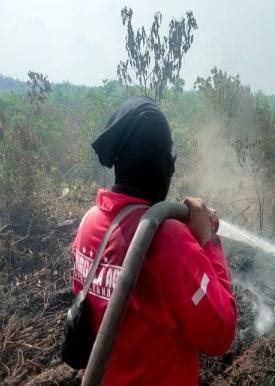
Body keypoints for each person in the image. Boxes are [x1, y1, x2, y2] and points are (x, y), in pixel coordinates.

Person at [71, 96, 237, 385]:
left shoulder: (89, 222)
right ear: (163, 164)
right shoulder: (169, 239)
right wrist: (207, 242)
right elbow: (221, 333)